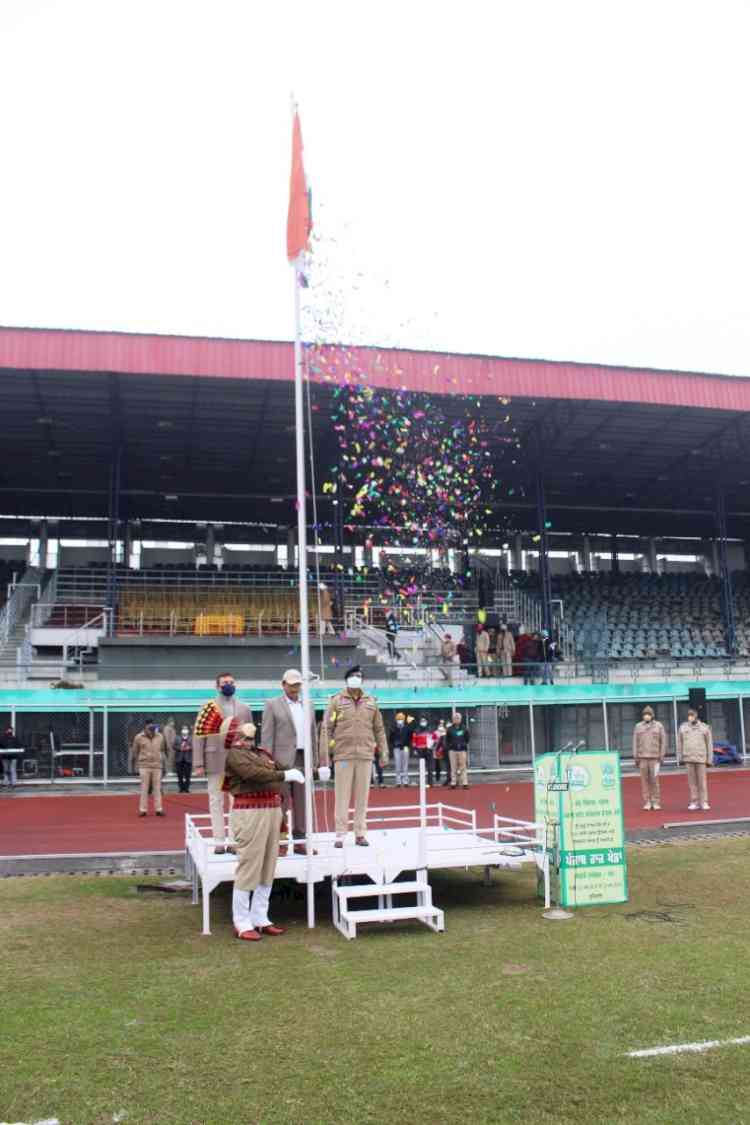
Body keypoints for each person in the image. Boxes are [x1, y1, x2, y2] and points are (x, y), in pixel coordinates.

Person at [222, 716, 306, 942]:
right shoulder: (234, 754)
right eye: (243, 734)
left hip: (271, 810)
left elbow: (283, 768)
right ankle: (241, 921)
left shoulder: (262, 753)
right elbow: (253, 774)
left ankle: (260, 917)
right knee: (249, 866)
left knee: (268, 866)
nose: (249, 737)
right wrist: (284, 775)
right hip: (250, 812)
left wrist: (315, 772)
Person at [319, 665, 388, 846]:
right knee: (342, 795)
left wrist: (384, 752)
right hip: (343, 755)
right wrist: (324, 757)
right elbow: (327, 729)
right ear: (347, 679)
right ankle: (340, 833)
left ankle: (360, 832)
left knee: (362, 796)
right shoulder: (336, 701)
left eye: (359, 676)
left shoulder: (371, 702)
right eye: (353, 676)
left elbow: (379, 729)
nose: (356, 678)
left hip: (365, 754)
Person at [260, 669, 322, 854]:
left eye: (298, 684)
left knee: (303, 803)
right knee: (281, 801)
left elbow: (313, 734)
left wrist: (315, 760)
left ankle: (301, 841)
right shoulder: (272, 705)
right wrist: (266, 759)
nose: (295, 688)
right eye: (292, 684)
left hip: (304, 758)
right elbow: (267, 735)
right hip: (281, 761)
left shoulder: (308, 704)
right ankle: (280, 841)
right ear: (283, 684)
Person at [193, 672, 253, 854]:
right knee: (215, 801)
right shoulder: (207, 708)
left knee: (236, 801)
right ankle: (219, 841)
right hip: (214, 760)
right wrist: (198, 763)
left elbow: (250, 734)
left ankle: (234, 840)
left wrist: (249, 753)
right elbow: (199, 736)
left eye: (232, 682)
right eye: (225, 682)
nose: (229, 685)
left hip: (237, 761)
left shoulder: (244, 708)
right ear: (218, 686)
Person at [129, 718, 168, 817]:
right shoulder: (139, 737)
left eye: (153, 725)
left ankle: (159, 809)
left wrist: (163, 763)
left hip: (157, 766)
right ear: (145, 726)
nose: (152, 727)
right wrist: (139, 761)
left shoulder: (160, 736)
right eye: (149, 725)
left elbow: (163, 749)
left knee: (157, 789)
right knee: (144, 788)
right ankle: (143, 810)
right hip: (144, 766)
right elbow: (135, 751)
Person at [678, 707, 713, 811]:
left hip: (701, 758)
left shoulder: (704, 728)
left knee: (702, 782)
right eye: (688, 715)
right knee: (692, 783)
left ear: (696, 716)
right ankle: (694, 802)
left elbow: (709, 744)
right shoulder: (683, 728)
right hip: (688, 758)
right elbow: (680, 743)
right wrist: (680, 757)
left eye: (692, 715)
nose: (690, 717)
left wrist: (709, 759)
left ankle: (704, 802)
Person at [632, 705, 666, 811]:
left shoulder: (659, 726)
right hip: (642, 757)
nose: (646, 716)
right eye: (645, 714)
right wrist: (635, 756)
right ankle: (647, 801)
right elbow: (635, 742)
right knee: (644, 781)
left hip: (654, 758)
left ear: (652, 715)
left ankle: (655, 801)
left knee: (654, 781)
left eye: (648, 714)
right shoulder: (638, 726)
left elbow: (663, 741)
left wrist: (662, 755)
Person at [445, 712, 470, 789]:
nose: (456, 719)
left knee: (463, 767)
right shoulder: (449, 729)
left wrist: (463, 744)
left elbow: (467, 738)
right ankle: (453, 783)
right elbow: (447, 739)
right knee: (453, 767)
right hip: (452, 750)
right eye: (455, 718)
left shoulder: (464, 728)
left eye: (458, 718)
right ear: (453, 719)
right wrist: (450, 746)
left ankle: (464, 783)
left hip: (462, 750)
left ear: (461, 719)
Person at [411, 715, 435, 786]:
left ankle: (430, 783)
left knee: (430, 768)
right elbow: (414, 741)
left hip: (429, 751)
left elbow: (435, 738)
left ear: (427, 722)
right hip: (420, 751)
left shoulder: (430, 729)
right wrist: (414, 749)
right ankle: (422, 782)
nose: (423, 722)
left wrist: (432, 746)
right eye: (422, 721)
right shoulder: (416, 730)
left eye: (424, 721)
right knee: (421, 768)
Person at [390, 711, 412, 787]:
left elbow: (410, 738)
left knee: (405, 765)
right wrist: (394, 744)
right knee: (397, 765)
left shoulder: (407, 728)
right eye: (398, 719)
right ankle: (398, 782)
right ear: (396, 720)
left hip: (405, 747)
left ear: (404, 719)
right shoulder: (393, 728)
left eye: (401, 719)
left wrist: (407, 745)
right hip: (397, 748)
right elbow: (390, 739)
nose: (400, 720)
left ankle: (406, 781)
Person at [174, 723, 193, 793]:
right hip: (179, 759)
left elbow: (194, 746)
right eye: (183, 729)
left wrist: (189, 747)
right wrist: (179, 748)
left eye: (186, 729)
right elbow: (174, 746)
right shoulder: (177, 737)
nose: (185, 730)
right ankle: (181, 788)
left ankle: (187, 788)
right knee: (180, 775)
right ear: (181, 730)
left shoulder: (191, 738)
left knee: (188, 775)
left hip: (188, 759)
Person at [433, 719, 449, 784]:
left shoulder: (446, 732)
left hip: (445, 750)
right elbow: (433, 740)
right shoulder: (435, 732)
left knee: (447, 765)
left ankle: (448, 778)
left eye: (442, 723)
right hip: (437, 750)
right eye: (440, 724)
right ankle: (437, 777)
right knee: (437, 765)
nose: (441, 725)